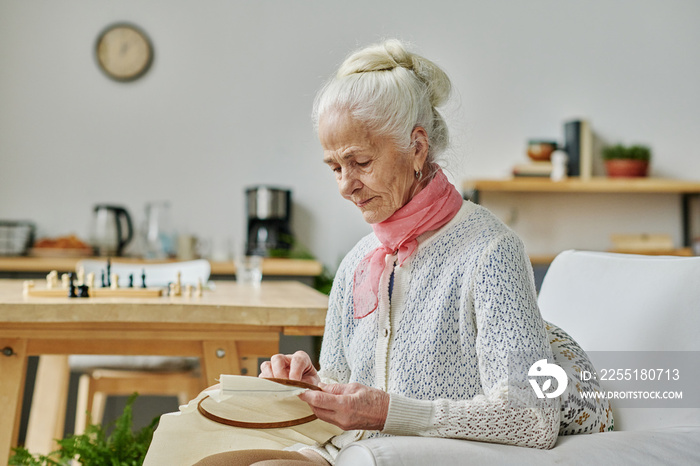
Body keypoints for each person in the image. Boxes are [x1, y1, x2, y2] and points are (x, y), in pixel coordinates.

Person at [193, 39, 560, 466]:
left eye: (360, 162)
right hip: (345, 455)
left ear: (417, 148)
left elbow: (535, 416)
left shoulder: (491, 253)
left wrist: (389, 412)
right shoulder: (358, 261)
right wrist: (308, 387)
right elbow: (340, 391)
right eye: (334, 167)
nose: (345, 185)